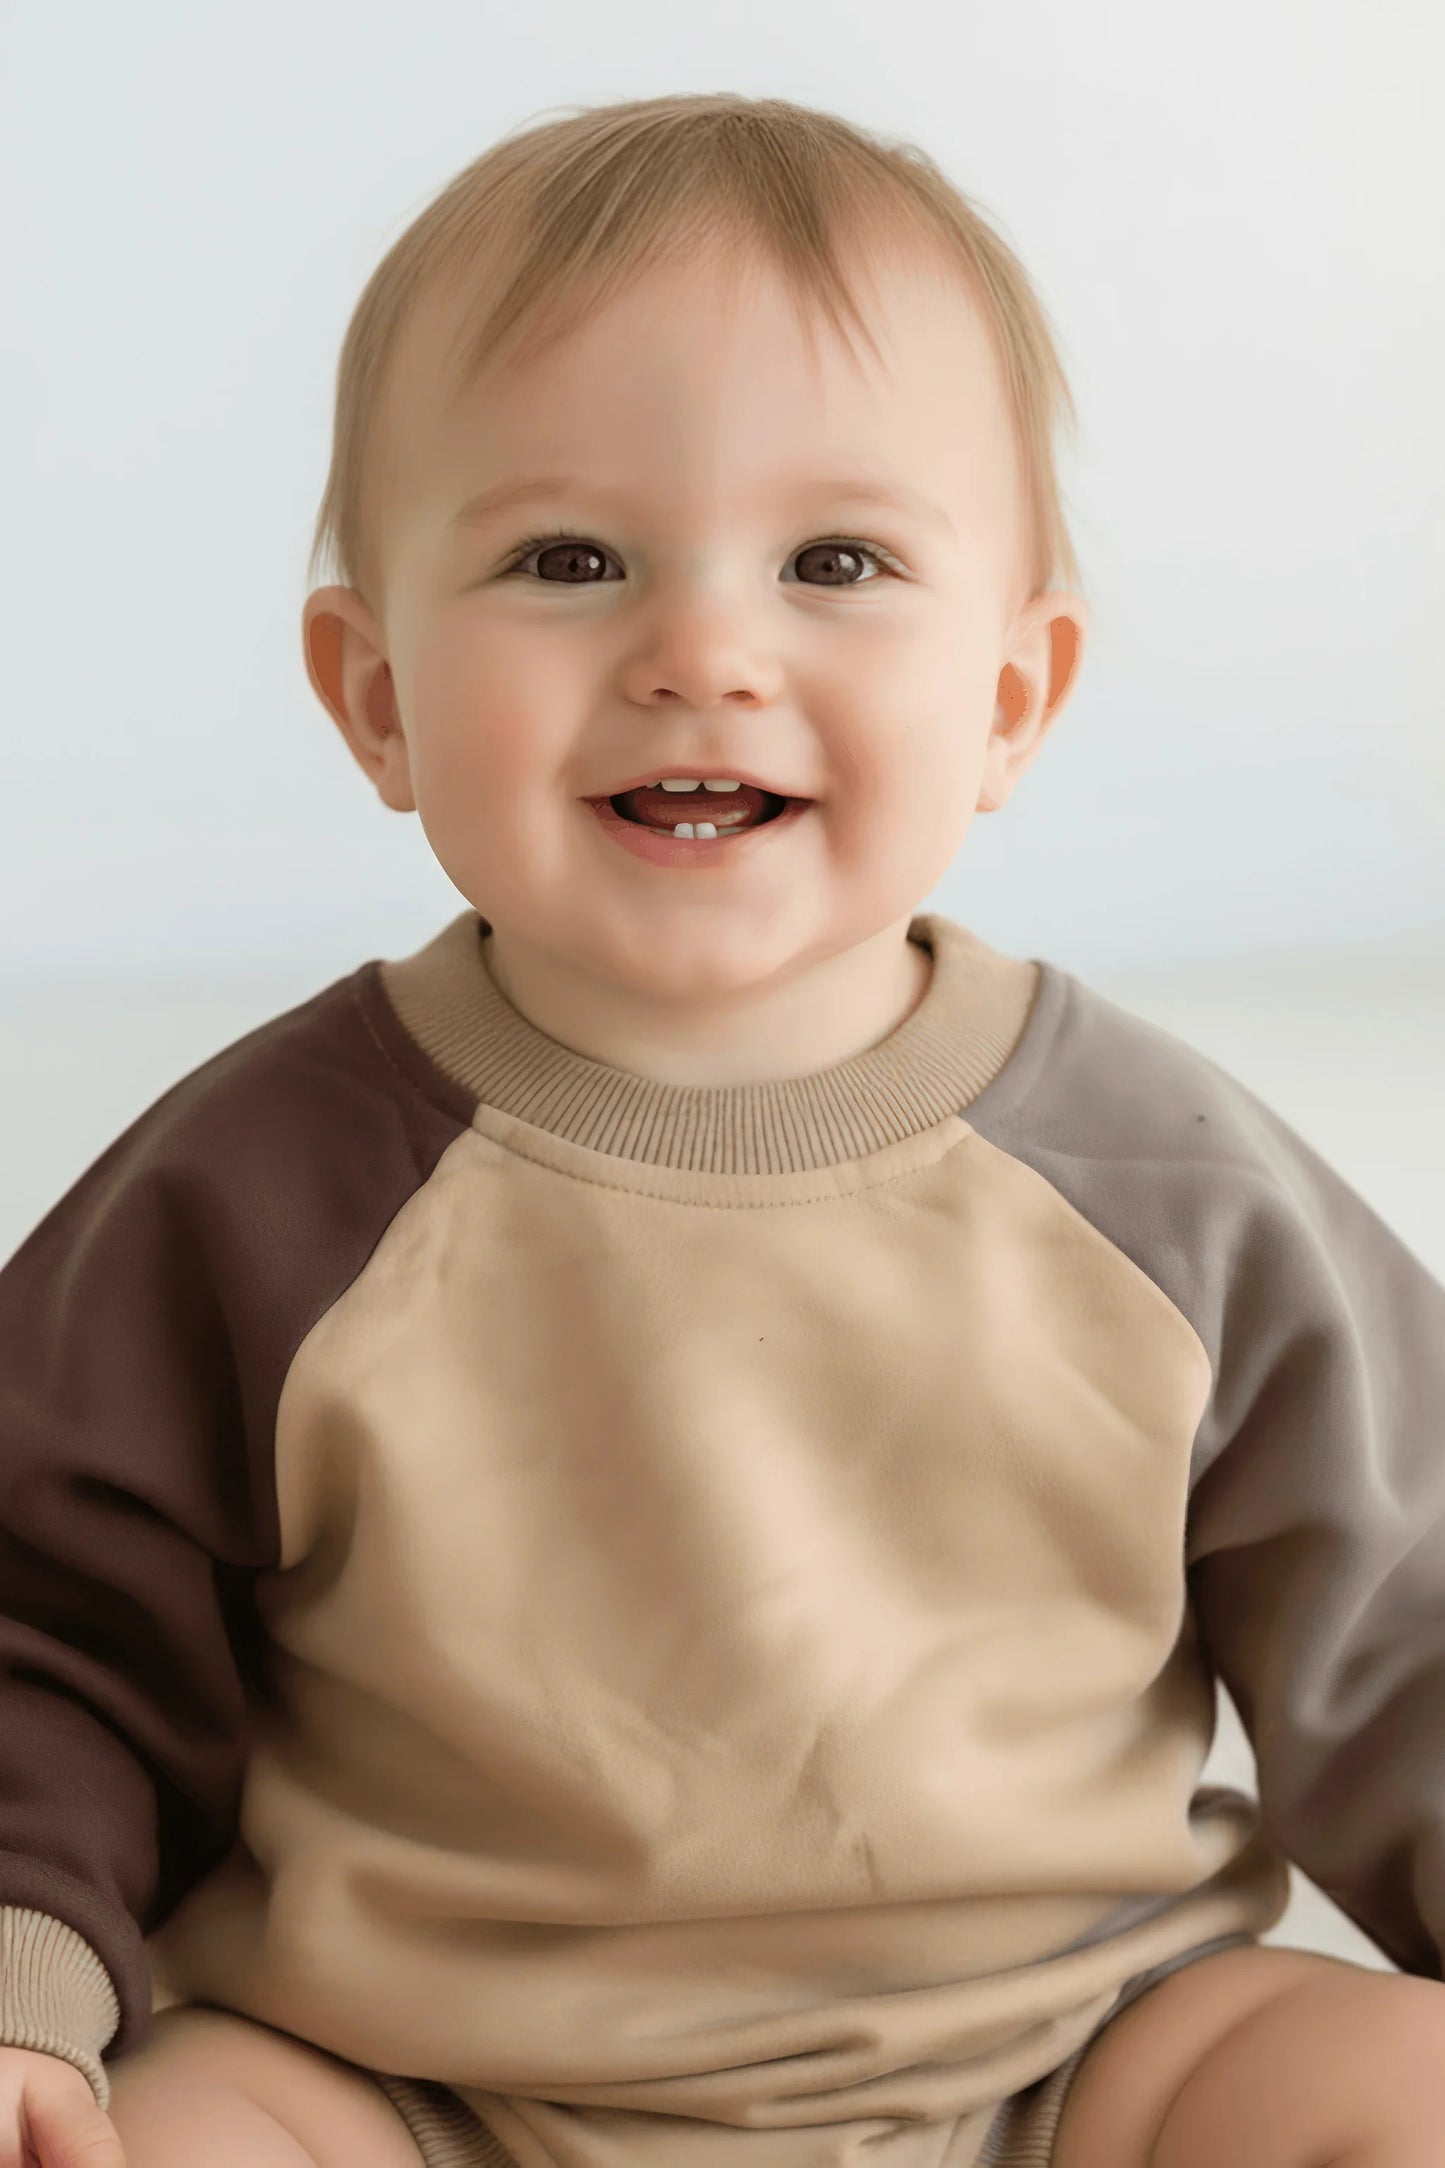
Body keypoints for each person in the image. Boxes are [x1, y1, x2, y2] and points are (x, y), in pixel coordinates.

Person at [3, 90, 1443, 2168]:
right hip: (410, 2081)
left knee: (1393, 2096)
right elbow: (38, 1618)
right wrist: (28, 1984)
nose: (704, 653)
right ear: (377, 694)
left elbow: (1408, 1610)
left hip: (1067, 2057)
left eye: (836, 560)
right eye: (568, 560)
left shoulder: (1164, 1185)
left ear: (1016, 698)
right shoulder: (259, 1193)